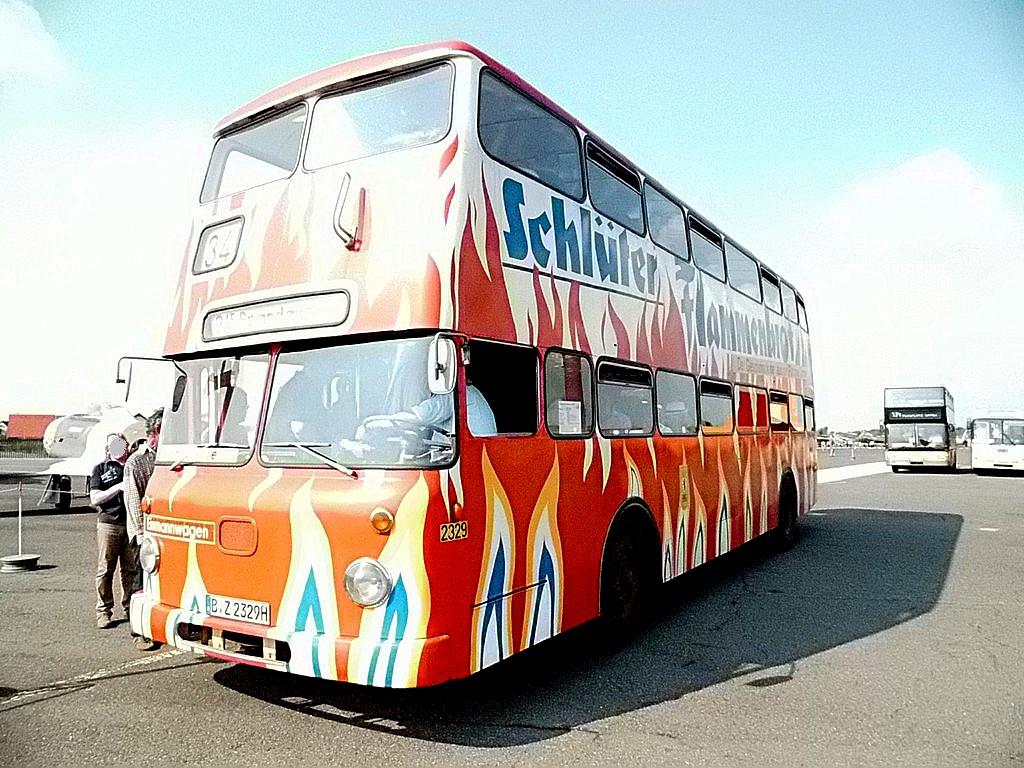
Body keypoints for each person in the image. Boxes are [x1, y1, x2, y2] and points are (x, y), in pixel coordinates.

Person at [124, 410, 162, 651]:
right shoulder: (136, 461)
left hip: (162, 533)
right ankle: (138, 631)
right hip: (144, 536)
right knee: (140, 580)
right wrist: (142, 535)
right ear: (155, 432)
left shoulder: (166, 458)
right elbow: (132, 500)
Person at [90, 433, 136, 630]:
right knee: (106, 569)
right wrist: (118, 487)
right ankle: (103, 611)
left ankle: (131, 608)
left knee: (131, 570)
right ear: (108, 449)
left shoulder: (133, 465)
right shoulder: (100, 469)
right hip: (109, 523)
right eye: (112, 445)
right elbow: (95, 498)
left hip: (132, 524)